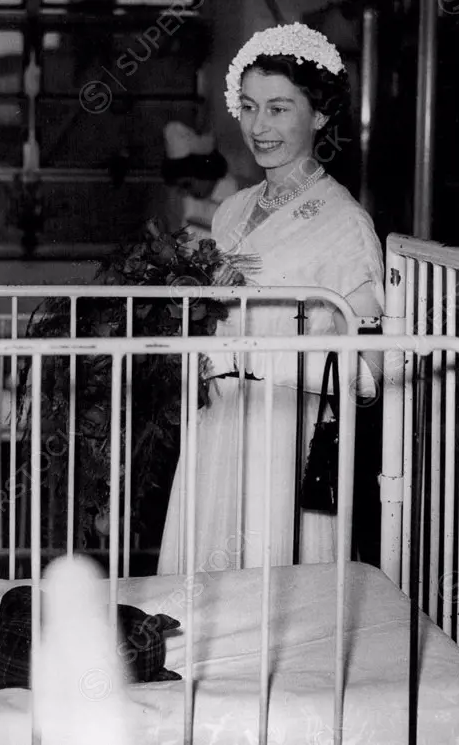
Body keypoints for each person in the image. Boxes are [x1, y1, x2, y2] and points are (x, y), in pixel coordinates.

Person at [157, 24, 384, 575]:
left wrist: (248, 358)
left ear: (321, 115)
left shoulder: (345, 223)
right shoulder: (231, 210)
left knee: (275, 592)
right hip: (218, 427)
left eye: (280, 109)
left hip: (289, 438)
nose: (260, 127)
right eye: (251, 107)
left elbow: (370, 373)